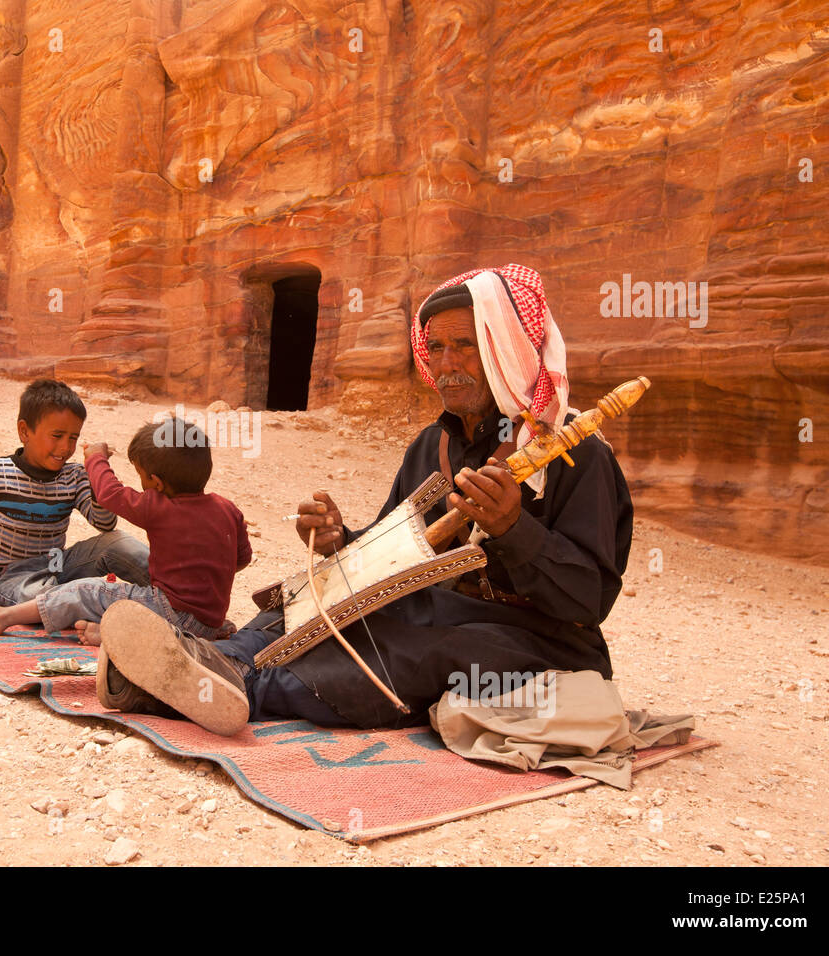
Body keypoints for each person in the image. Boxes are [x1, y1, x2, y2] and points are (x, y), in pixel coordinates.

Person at [98, 264, 634, 736]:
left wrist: (516, 528)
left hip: (536, 640)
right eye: (436, 347)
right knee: (314, 599)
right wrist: (341, 540)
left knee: (417, 652)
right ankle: (206, 663)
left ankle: (235, 692)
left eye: (464, 345)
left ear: (505, 347)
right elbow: (393, 550)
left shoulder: (578, 456)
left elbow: (589, 602)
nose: (446, 363)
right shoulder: (434, 446)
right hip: (435, 606)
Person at [0, 418, 251, 647]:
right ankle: (147, 634)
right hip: (211, 620)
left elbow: (109, 493)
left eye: (140, 475)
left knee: (87, 591)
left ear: (156, 482)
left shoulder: (158, 507)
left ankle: (3, 617)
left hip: (171, 614)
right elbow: (241, 560)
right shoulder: (228, 509)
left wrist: (96, 458)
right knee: (130, 592)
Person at [0, 378, 150, 610]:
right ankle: (90, 600)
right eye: (57, 436)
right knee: (52, 596)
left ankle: (175, 593)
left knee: (118, 542)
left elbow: (105, 524)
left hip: (57, 567)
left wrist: (97, 471)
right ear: (24, 431)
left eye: (73, 437)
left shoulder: (75, 476)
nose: (66, 447)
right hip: (7, 580)